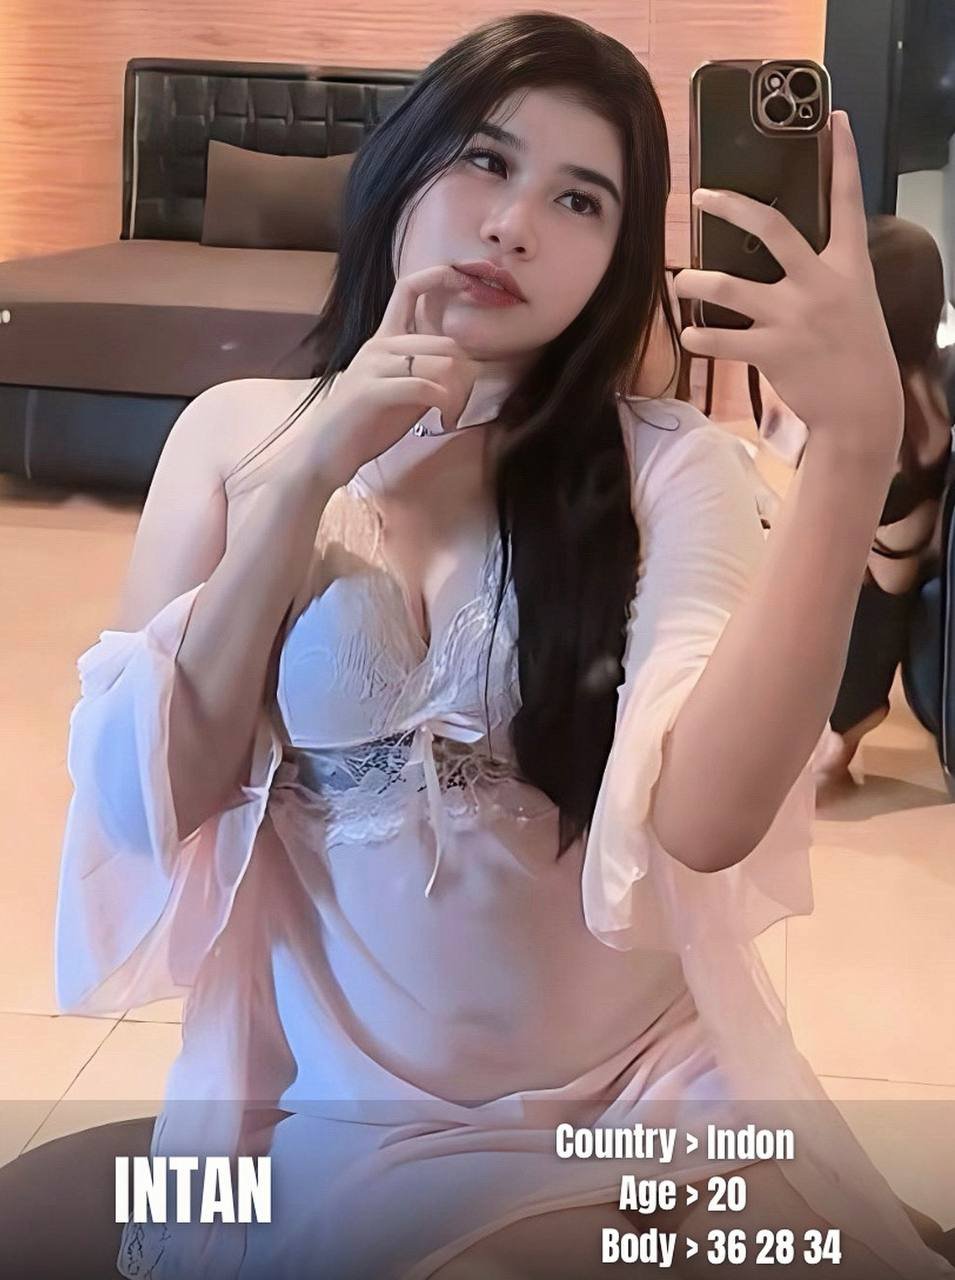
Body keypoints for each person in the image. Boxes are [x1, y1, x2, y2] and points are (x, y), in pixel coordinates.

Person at [6, 13, 953, 1280]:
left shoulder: (668, 468)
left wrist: (851, 449)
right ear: (404, 166)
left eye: (579, 199)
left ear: (617, 259)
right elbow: (148, 801)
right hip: (338, 1112)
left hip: (643, 1106)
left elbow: (706, 822)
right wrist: (307, 475)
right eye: (486, 161)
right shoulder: (236, 435)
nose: (513, 224)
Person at [812, 216, 954, 783]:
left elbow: (888, 579)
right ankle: (845, 716)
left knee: (873, 596)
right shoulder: (921, 380)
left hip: (901, 541)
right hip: (900, 528)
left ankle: (850, 720)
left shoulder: (901, 410)